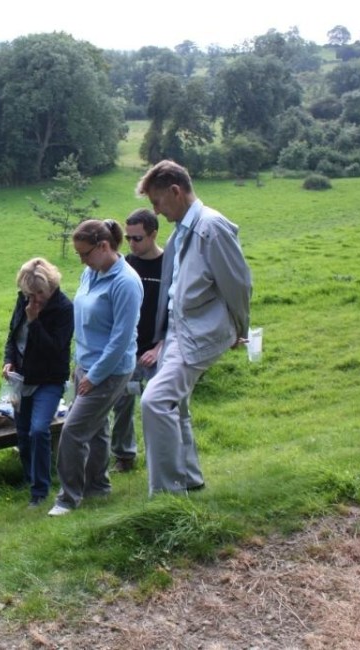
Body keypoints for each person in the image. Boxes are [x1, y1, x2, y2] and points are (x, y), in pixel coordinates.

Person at [136, 160, 252, 496]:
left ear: (175, 191)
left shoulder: (210, 228)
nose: (155, 212)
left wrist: (239, 328)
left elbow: (239, 284)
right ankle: (189, 477)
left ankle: (169, 494)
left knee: (155, 402)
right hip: (178, 332)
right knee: (177, 404)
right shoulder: (182, 233)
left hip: (197, 333)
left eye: (157, 203)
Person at [49, 220, 143, 516]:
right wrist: (79, 365)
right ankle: (98, 487)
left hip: (110, 370)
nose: (82, 260)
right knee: (97, 429)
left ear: (104, 246)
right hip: (85, 364)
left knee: (73, 432)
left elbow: (121, 339)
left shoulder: (126, 282)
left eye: (85, 253)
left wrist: (95, 376)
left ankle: (68, 498)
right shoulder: (91, 272)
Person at [2, 258, 74, 508]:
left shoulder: (64, 308)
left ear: (50, 285)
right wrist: (9, 361)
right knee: (22, 433)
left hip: (49, 379)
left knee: (39, 429)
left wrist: (35, 321)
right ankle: (29, 478)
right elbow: (12, 336)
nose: (34, 300)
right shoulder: (23, 300)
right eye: (29, 294)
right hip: (21, 379)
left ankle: (40, 491)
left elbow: (55, 349)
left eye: (39, 293)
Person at [106, 208, 165, 473]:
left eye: (137, 238)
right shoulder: (126, 265)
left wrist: (160, 346)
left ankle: (162, 455)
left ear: (153, 234)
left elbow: (178, 313)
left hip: (158, 347)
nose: (131, 244)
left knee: (159, 405)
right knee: (122, 403)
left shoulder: (169, 266)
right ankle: (124, 456)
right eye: (128, 238)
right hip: (129, 349)